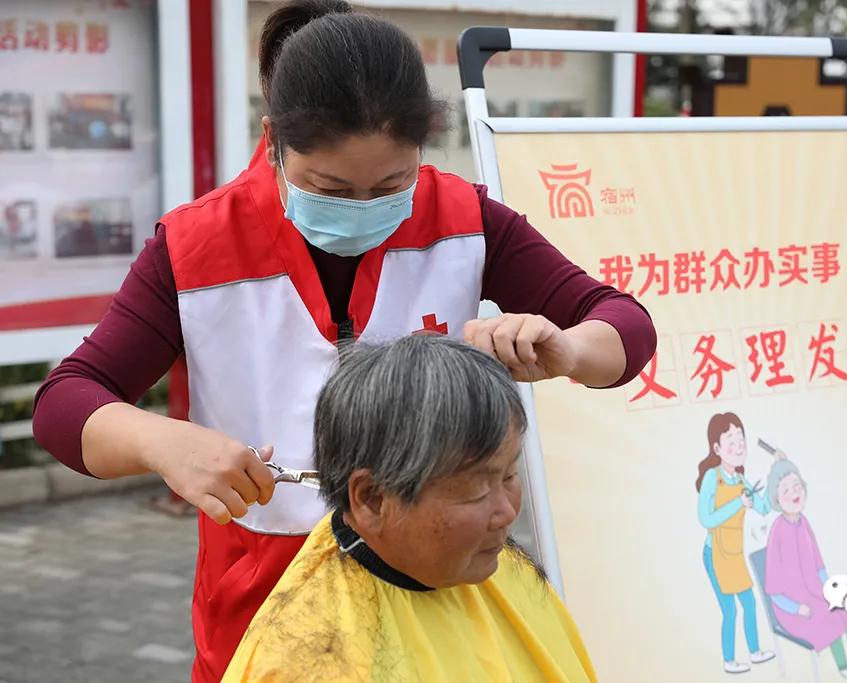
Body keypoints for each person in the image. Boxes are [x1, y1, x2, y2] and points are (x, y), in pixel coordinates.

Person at [31, 2, 656, 680]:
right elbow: (65, 404)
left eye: (391, 186)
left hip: (432, 588)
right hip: (263, 607)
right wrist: (162, 442)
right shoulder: (195, 247)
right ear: (273, 141)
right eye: (329, 188)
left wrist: (567, 348)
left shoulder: (467, 220)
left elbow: (625, 326)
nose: (364, 210)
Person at [223, 334, 596, 682]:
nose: (508, 513)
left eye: (510, 475)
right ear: (372, 498)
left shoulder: (497, 570)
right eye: (476, 491)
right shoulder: (312, 663)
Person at [763, 459, 847, 682]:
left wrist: (830, 588)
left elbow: (819, 564)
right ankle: (842, 667)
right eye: (786, 490)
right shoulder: (777, 531)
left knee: (845, 605)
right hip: (792, 605)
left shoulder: (804, 522)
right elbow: (773, 590)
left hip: (815, 590)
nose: (794, 493)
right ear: (776, 498)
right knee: (826, 617)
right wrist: (795, 608)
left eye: (797, 486)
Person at [695, 412, 776, 674]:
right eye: (731, 440)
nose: (738, 445)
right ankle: (729, 661)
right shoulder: (712, 478)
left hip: (735, 553)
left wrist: (772, 482)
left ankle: (755, 652)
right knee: (729, 611)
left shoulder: (741, 480)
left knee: (750, 603)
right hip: (715, 553)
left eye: (741, 439)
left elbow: (763, 508)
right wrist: (737, 504)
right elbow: (707, 519)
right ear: (717, 448)